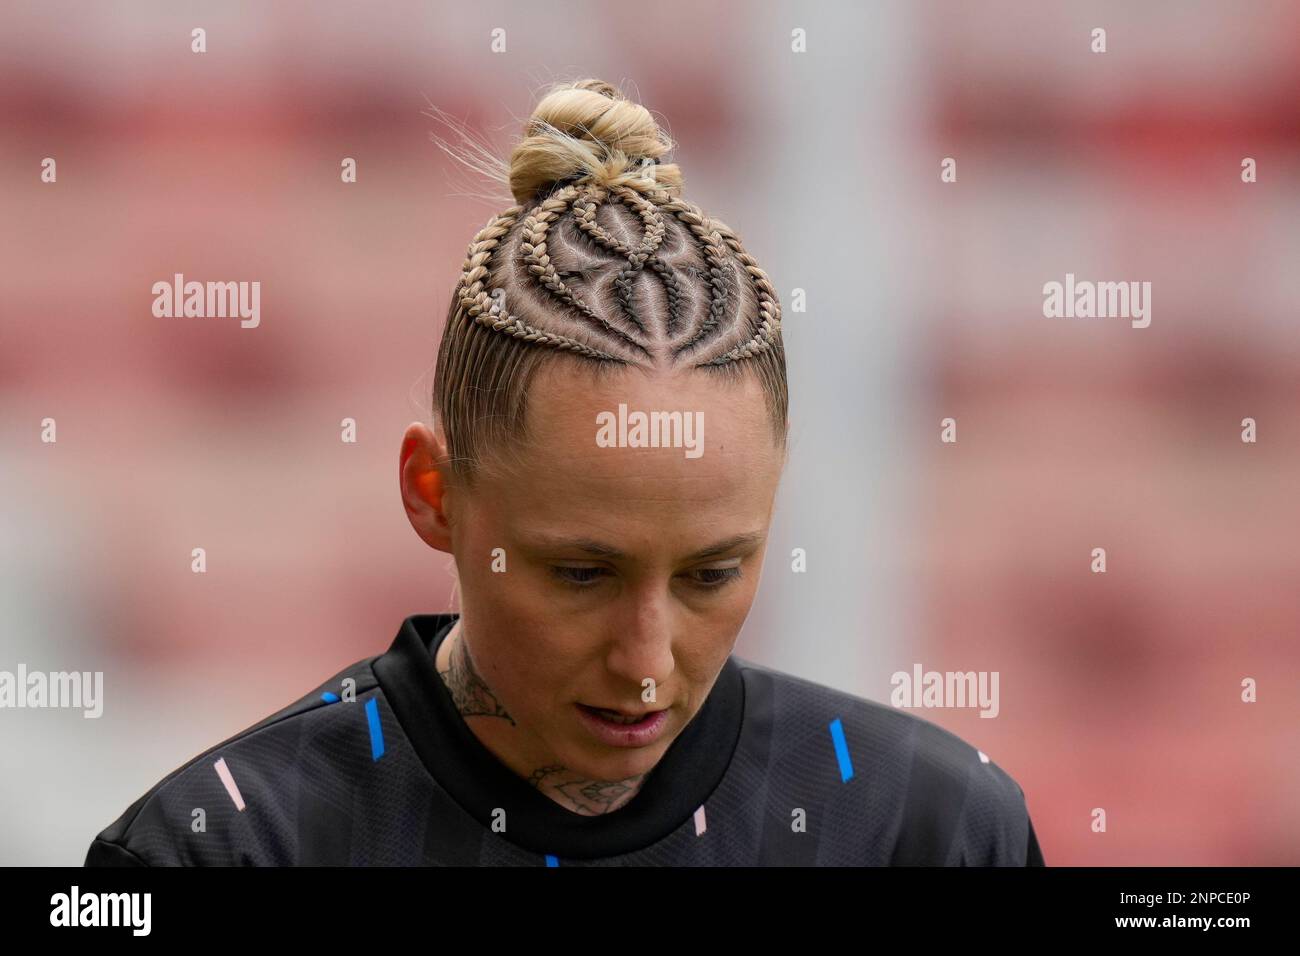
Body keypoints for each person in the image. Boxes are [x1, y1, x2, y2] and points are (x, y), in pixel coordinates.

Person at [85, 78, 1044, 866]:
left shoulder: (931, 833)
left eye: (711, 573)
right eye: (581, 574)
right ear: (434, 494)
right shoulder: (219, 850)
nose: (644, 665)